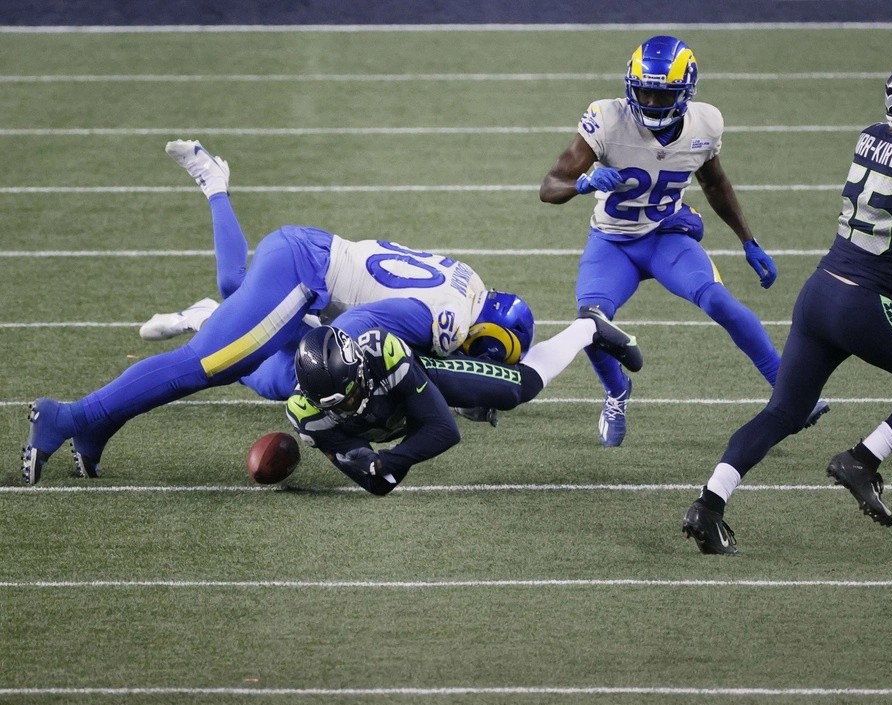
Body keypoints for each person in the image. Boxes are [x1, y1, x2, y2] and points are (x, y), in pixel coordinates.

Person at [680, 58, 892, 554]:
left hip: (820, 292)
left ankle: (708, 504)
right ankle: (864, 458)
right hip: (863, 304)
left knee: (782, 412)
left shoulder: (871, 135)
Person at [20, 141, 520, 484]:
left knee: (252, 320)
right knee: (210, 363)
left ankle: (214, 185)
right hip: (307, 271)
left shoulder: (467, 284)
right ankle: (69, 415)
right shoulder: (448, 322)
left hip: (310, 269)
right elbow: (353, 333)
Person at [539, 35, 827, 448]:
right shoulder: (607, 118)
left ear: (686, 93)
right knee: (591, 324)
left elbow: (715, 184)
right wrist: (583, 182)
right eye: (645, 91)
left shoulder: (704, 124)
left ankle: (790, 392)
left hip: (665, 237)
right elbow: (550, 186)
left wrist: (749, 240)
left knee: (720, 301)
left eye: (663, 94)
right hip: (614, 243)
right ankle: (617, 393)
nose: (652, 102)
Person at [286, 303, 643, 494]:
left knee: (519, 388)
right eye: (338, 406)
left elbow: (443, 431)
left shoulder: (382, 353)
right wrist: (382, 464)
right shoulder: (307, 415)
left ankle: (587, 328)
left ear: (359, 367)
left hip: (420, 368)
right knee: (393, 459)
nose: (350, 406)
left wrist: (389, 458)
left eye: (351, 395)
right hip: (399, 404)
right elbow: (376, 483)